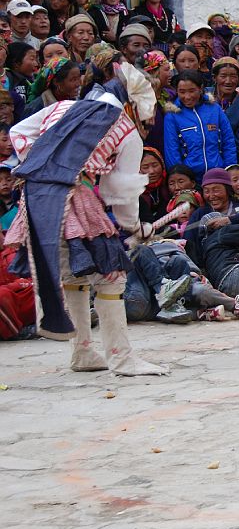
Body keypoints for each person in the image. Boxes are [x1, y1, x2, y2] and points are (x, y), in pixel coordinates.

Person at [4, 62, 167, 375]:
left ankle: (82, 353)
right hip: (73, 195)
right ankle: (121, 357)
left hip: (36, 196)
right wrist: (134, 226)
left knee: (73, 277)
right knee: (111, 275)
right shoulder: (125, 131)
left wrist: (46, 164)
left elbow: (17, 132)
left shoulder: (63, 107)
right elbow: (121, 190)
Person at [162, 69, 236, 177]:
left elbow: (228, 141)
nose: (187, 97)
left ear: (200, 89)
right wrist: (181, 177)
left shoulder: (214, 109)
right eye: (182, 92)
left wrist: (229, 170)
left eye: (192, 91)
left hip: (217, 175)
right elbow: (172, 151)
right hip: (190, 179)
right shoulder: (172, 115)